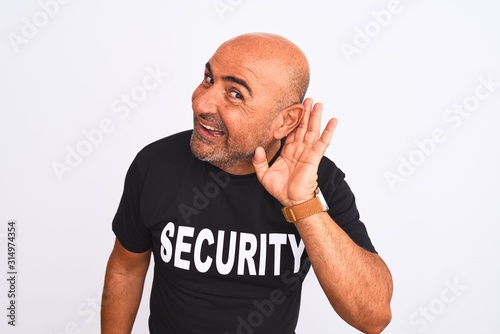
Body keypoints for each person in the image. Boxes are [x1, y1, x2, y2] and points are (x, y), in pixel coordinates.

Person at [101, 32, 393, 334]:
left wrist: (303, 204)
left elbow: (373, 316)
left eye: (235, 94)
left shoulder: (321, 182)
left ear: (286, 122)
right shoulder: (155, 165)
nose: (201, 103)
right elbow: (126, 268)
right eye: (208, 79)